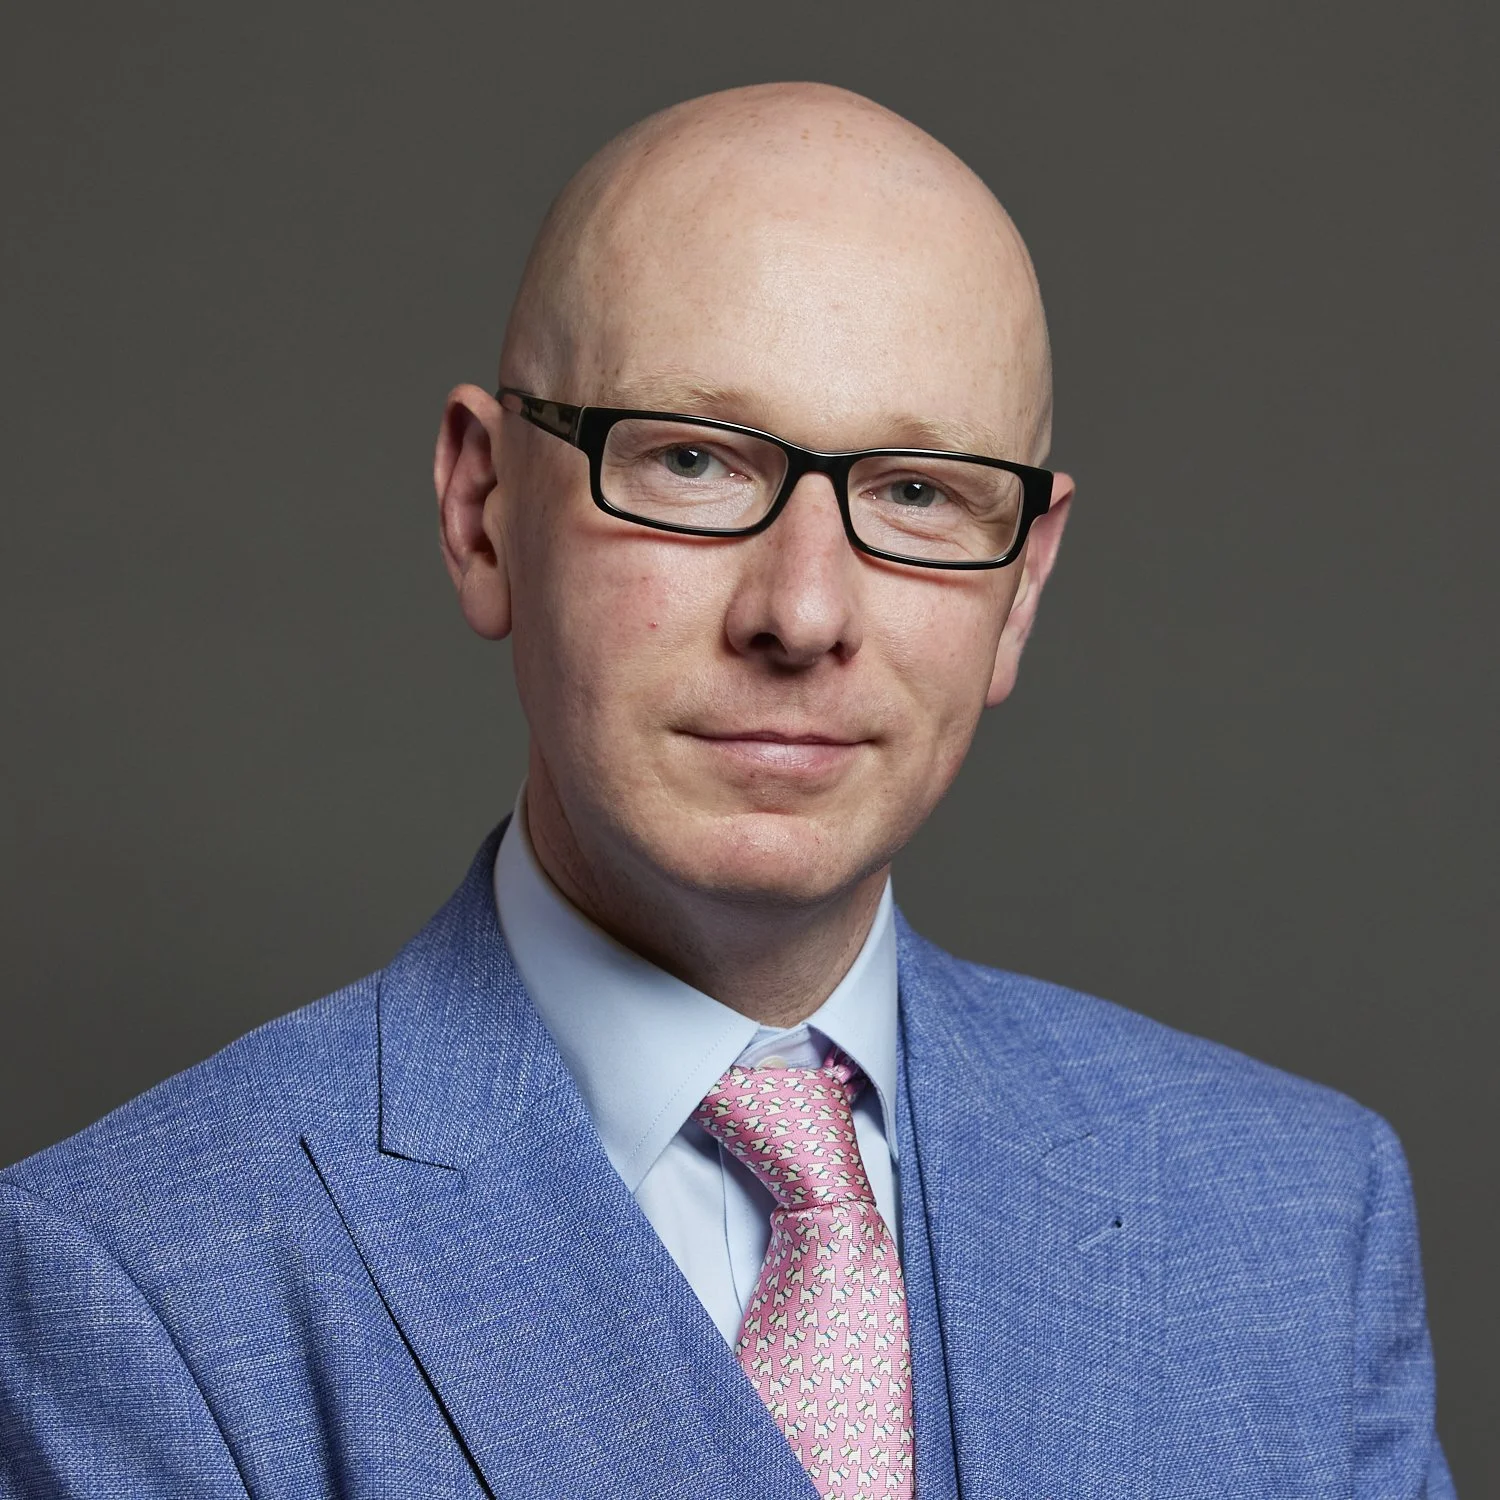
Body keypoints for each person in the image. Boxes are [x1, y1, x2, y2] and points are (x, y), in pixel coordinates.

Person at [0, 81, 1451, 1499]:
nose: (804, 611)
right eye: (692, 461)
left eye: (919, 493)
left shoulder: (1298, 1222)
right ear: (483, 510)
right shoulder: (131, 1286)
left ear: (1022, 587)